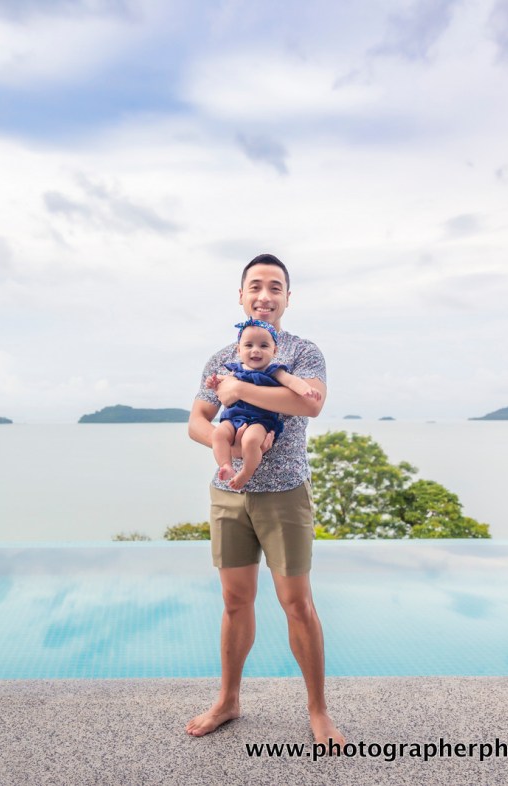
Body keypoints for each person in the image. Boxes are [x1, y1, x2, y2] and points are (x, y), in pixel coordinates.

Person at [186, 253, 345, 746]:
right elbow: (196, 421)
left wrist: (240, 390)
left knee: (297, 603)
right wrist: (230, 446)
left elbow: (309, 403)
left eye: (275, 287)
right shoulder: (222, 357)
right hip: (229, 494)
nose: (264, 295)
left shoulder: (302, 352)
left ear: (287, 298)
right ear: (241, 295)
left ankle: (318, 710)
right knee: (235, 601)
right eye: (255, 286)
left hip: (285, 494)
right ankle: (228, 700)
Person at [207, 318, 322, 490]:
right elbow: (222, 383)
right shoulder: (235, 370)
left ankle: (247, 471)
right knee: (218, 434)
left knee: (251, 440)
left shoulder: (274, 371)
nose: (256, 350)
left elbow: (292, 381)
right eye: (249, 345)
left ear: (274, 351)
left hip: (260, 420)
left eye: (263, 346)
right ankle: (226, 465)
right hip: (233, 417)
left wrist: (306, 390)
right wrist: (214, 382)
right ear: (239, 350)